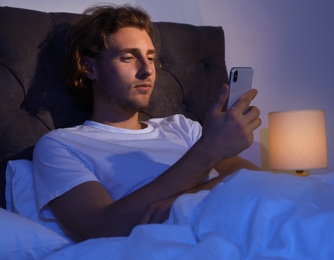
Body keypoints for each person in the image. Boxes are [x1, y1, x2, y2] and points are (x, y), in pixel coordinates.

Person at [33, 4, 262, 241]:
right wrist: (208, 151)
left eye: (151, 57)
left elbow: (251, 175)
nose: (147, 70)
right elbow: (100, 228)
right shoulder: (62, 145)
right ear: (89, 67)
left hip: (234, 221)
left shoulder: (182, 127)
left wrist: (181, 200)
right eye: (129, 57)